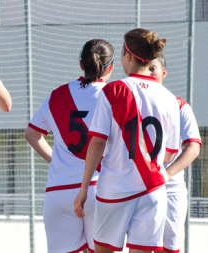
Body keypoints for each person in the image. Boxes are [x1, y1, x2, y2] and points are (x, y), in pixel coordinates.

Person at [74, 28, 180, 253]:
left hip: (116, 189)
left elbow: (97, 143)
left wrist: (84, 188)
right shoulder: (170, 98)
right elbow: (170, 153)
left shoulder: (114, 90)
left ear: (127, 55)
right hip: (153, 190)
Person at [25, 39, 114, 253]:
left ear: (81, 64)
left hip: (59, 190)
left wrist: (58, 161)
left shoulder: (58, 95)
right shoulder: (114, 95)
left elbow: (31, 134)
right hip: (98, 188)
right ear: (111, 67)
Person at [149, 54, 201, 253]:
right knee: (139, 246)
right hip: (138, 186)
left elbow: (193, 147)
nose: (149, 72)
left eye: (153, 68)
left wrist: (167, 174)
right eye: (145, 67)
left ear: (164, 72)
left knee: (169, 248)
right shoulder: (132, 103)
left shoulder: (179, 105)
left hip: (170, 188)